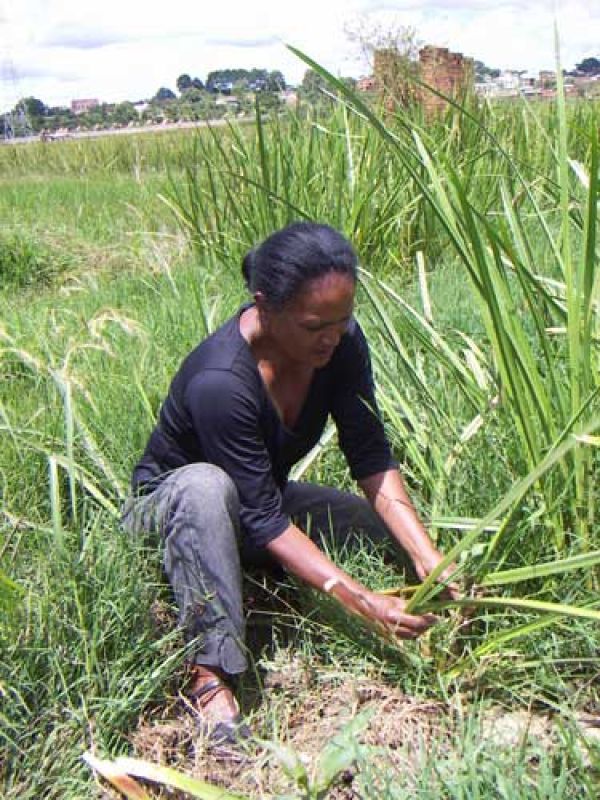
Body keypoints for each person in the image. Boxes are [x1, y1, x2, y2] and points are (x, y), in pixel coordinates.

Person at [123, 221, 456, 745]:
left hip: (258, 504)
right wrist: (362, 602)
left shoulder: (340, 346)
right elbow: (261, 516)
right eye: (312, 325)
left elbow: (369, 452)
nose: (330, 335)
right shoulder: (221, 380)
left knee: (371, 527)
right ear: (265, 306)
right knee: (207, 487)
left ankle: (434, 599)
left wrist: (428, 557)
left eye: (342, 321)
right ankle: (211, 681)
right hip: (175, 514)